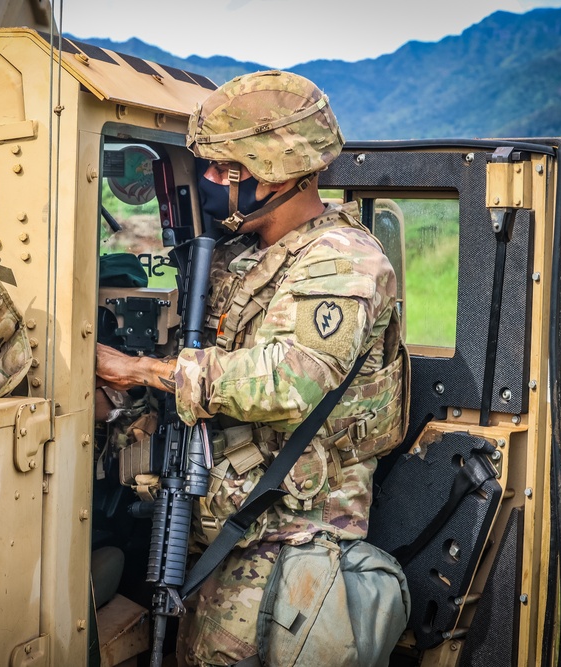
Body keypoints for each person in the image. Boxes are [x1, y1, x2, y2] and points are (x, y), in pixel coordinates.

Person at [96, 70, 410, 667]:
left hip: (291, 539)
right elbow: (203, 353)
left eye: (226, 171)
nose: (211, 183)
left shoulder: (344, 262)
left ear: (281, 173)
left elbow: (287, 381)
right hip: (231, 525)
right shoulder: (246, 257)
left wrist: (137, 370)